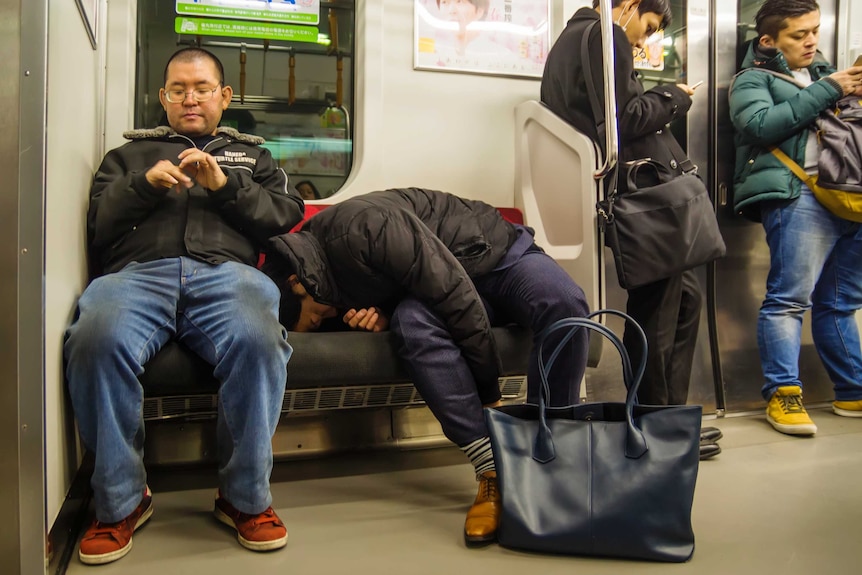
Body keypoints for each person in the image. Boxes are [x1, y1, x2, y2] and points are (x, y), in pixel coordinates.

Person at [64, 47, 304, 565]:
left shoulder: (254, 157)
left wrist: (224, 186)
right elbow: (98, 225)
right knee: (94, 337)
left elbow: (283, 219)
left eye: (201, 88)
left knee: (260, 340)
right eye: (178, 89)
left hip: (227, 275)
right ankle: (121, 501)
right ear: (162, 97)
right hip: (137, 275)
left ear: (224, 96)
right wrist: (143, 186)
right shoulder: (126, 157)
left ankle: (244, 499)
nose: (190, 98)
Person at [264, 187, 590, 546]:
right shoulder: (318, 274)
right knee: (413, 325)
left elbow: (453, 293)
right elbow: (403, 286)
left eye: (312, 319)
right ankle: (493, 467)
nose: (322, 320)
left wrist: (489, 394)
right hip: (446, 285)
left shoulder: (363, 227)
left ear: (297, 284)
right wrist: (382, 316)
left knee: (565, 304)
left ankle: (555, 457)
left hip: (493, 254)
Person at [540, 0, 723, 458]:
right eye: (649, 25)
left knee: (683, 300)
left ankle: (667, 417)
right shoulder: (606, 36)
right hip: (645, 202)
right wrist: (675, 97)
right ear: (630, 6)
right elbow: (622, 121)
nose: (645, 39)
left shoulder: (573, 39)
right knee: (658, 313)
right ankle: (654, 426)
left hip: (640, 200)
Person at [729, 0, 862, 435]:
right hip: (799, 195)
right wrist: (832, 90)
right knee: (788, 300)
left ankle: (852, 392)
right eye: (798, 35)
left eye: (815, 31)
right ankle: (783, 395)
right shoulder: (752, 80)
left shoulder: (827, 75)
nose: (811, 41)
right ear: (768, 41)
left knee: (841, 304)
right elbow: (760, 125)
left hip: (850, 198)